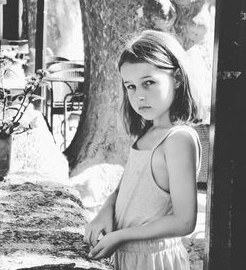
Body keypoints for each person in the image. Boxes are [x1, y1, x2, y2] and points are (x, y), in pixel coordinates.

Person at [84, 29, 202, 270]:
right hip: (128, 257)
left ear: (177, 78)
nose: (139, 96)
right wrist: (105, 210)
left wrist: (121, 236)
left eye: (149, 83)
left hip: (154, 261)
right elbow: (125, 188)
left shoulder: (177, 140)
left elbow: (185, 220)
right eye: (131, 87)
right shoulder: (147, 133)